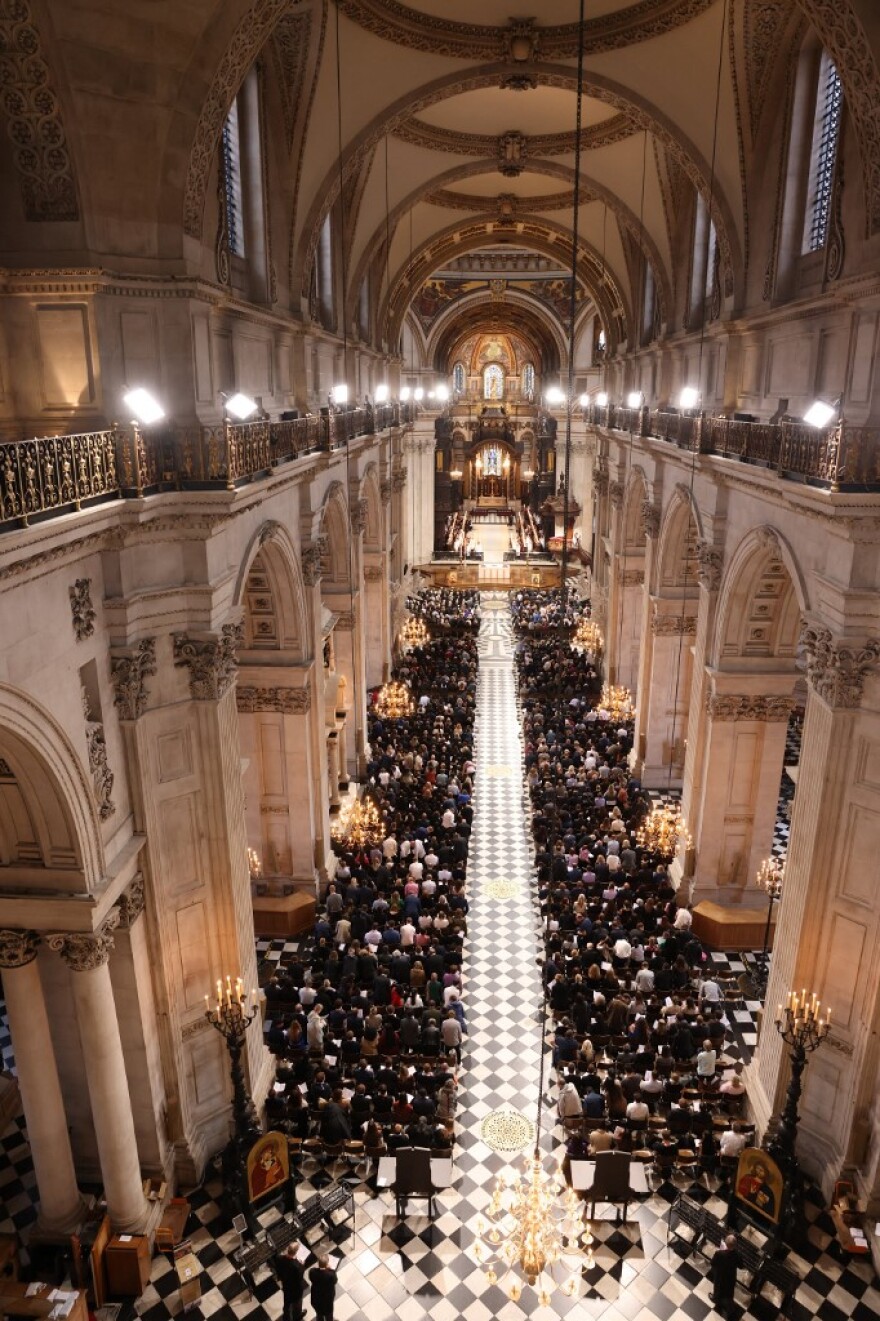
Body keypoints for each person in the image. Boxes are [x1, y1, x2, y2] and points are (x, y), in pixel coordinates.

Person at [710, 1233, 739, 1317]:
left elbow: (712, 1263)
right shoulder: (737, 1255)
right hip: (731, 1277)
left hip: (720, 1275)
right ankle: (729, 1308)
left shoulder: (719, 1253)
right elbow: (741, 1266)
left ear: (726, 1243)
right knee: (729, 1292)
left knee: (717, 1287)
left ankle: (716, 1299)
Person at [276, 1246, 305, 1321]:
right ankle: (297, 1316)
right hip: (296, 1289)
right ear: (296, 1252)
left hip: (286, 1286)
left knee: (287, 1303)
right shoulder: (297, 1266)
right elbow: (300, 1277)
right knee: (297, 1304)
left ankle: (286, 1318)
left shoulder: (280, 1258)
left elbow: (278, 1270)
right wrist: (302, 1265)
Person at [309, 1255, 338, 1321]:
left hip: (316, 1299)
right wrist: (330, 1270)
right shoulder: (331, 1274)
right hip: (327, 1301)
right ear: (327, 1264)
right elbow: (335, 1281)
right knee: (329, 1315)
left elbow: (311, 1277)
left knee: (319, 1313)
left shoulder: (312, 1272)